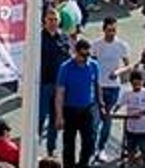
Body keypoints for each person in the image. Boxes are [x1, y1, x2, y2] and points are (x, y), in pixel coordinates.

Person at [56, 37, 103, 168]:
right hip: (70, 109)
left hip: (87, 109)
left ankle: (83, 165)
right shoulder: (65, 68)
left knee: (89, 141)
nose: (86, 57)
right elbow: (60, 93)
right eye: (83, 54)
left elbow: (97, 85)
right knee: (69, 143)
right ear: (76, 52)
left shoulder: (94, 65)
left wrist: (101, 104)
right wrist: (59, 116)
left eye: (88, 54)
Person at [91, 17, 131, 161]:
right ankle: (92, 148)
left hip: (113, 88)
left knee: (107, 120)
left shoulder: (121, 45)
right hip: (98, 87)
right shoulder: (96, 45)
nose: (112, 33)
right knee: (95, 120)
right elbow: (91, 63)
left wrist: (118, 72)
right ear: (104, 30)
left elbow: (128, 65)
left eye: (114, 30)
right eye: (109, 30)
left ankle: (101, 148)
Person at [40, 9, 71, 157]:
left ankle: (50, 151)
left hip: (59, 86)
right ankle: (33, 147)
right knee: (39, 118)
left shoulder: (64, 38)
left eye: (55, 19)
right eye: (50, 19)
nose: (52, 22)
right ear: (44, 21)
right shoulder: (38, 38)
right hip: (43, 85)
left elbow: (68, 59)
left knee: (55, 119)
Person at [111, 70, 145, 167]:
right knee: (130, 151)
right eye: (134, 83)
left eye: (138, 83)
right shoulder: (127, 93)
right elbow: (118, 104)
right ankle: (131, 164)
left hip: (144, 130)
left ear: (142, 82)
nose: (136, 85)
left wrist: (141, 113)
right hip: (131, 130)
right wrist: (113, 111)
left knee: (144, 153)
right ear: (131, 83)